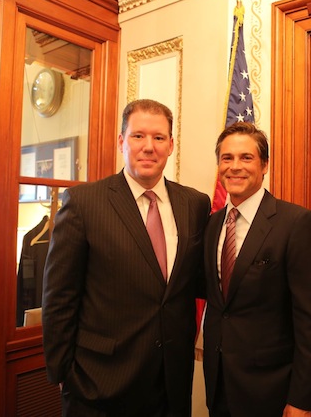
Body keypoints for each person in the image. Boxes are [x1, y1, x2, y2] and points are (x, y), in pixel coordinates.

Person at [42, 99, 211, 417]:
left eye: (159, 137)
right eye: (138, 136)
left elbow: (196, 282)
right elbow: (59, 297)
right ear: (121, 141)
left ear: (171, 145)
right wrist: (63, 373)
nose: (149, 146)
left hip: (171, 382)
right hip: (100, 383)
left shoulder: (195, 204)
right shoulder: (84, 203)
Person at [203, 122, 311, 417]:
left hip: (272, 390)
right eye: (227, 158)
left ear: (265, 165)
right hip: (219, 384)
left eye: (246, 157)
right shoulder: (211, 225)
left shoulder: (296, 223)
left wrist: (303, 399)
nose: (235, 166)